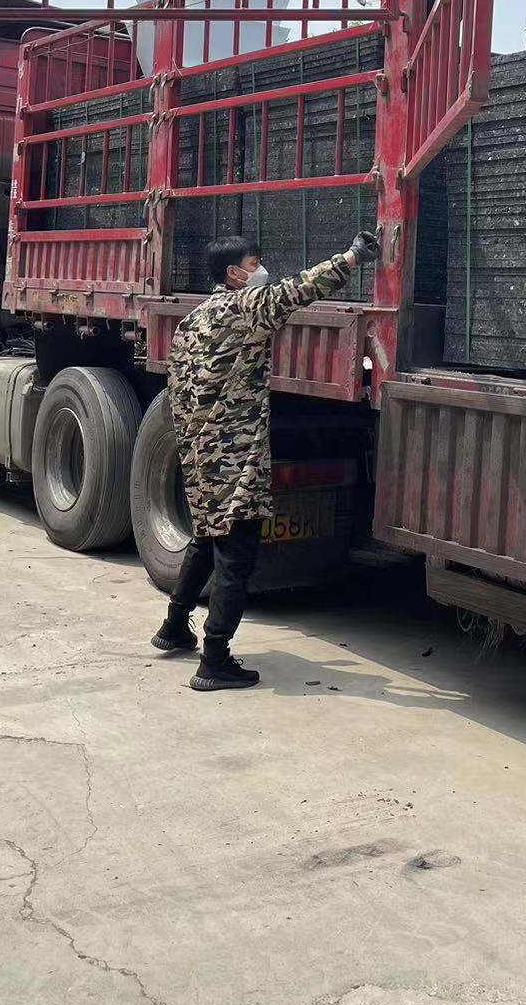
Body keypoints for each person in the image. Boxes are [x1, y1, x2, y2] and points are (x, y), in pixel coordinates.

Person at [150, 228, 381, 691]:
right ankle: (214, 660)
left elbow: (177, 388)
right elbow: (301, 288)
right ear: (234, 274)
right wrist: (353, 256)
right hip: (235, 461)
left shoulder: (192, 321)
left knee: (206, 537)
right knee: (236, 556)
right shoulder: (246, 308)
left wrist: (196, 444)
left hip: (199, 454)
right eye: (254, 265)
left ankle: (174, 626)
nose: (262, 271)